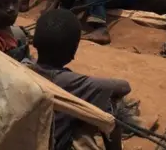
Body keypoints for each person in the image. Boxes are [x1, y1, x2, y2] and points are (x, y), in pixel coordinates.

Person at [29, 9, 129, 150]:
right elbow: (124, 87)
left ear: (34, 42)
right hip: (50, 144)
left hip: (21, 139)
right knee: (109, 104)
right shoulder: (71, 82)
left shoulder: (23, 66)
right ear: (72, 52)